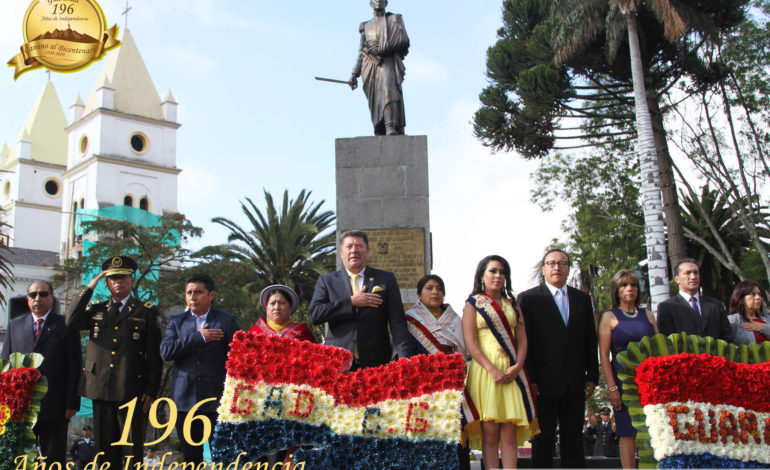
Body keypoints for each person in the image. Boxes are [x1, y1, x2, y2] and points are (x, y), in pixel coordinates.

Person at [67, 256, 163, 470]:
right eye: (112, 278)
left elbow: (154, 355)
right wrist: (89, 287)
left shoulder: (146, 311)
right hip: (100, 388)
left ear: (131, 279)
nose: (118, 282)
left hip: (132, 390)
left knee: (131, 452)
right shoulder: (96, 309)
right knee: (105, 452)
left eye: (123, 277)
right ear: (106, 282)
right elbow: (71, 320)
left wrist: (151, 390)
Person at [518, 248, 599, 468]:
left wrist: (592, 374)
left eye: (562, 263)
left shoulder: (582, 299)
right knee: (542, 440)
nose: (557, 267)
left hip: (575, 381)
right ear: (543, 269)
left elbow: (590, 339)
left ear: (568, 268)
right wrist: (531, 378)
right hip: (542, 384)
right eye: (551, 263)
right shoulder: (528, 299)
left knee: (573, 439)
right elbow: (526, 343)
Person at [463, 255, 536, 470]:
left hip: (512, 370)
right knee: (490, 433)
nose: (498, 276)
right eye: (493, 271)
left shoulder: (513, 303)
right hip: (485, 371)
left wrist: (518, 365)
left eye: (502, 272)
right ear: (482, 275)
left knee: (510, 433)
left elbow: (522, 339)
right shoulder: (473, 303)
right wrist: (491, 368)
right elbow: (470, 341)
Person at [160, 274, 241, 464]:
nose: (193, 297)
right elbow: (166, 351)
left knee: (222, 458)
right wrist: (199, 337)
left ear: (211, 295)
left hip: (217, 401)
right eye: (189, 292)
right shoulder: (176, 321)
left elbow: (238, 356)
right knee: (191, 459)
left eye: (198, 292)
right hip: (185, 401)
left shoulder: (226, 320)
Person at [1, 280, 81, 465]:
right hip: (21, 406)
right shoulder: (15, 325)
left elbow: (75, 367)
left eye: (43, 294)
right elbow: (6, 366)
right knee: (21, 457)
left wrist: (72, 403)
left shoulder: (67, 325)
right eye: (33, 295)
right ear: (28, 299)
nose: (38, 298)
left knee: (53, 457)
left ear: (51, 298)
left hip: (56, 405)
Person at [309, 230, 415, 370]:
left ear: (367, 251)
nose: (354, 250)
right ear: (341, 253)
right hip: (337, 362)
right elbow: (315, 315)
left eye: (359, 246)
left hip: (376, 362)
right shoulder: (327, 281)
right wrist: (351, 302)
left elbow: (398, 323)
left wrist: (405, 358)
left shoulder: (386, 279)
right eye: (349, 246)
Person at [404, 274, 470, 470]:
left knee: (454, 432)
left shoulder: (455, 319)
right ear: (419, 294)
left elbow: (463, 351)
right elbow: (402, 352)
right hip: (421, 386)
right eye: (429, 288)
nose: (435, 292)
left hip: (451, 385)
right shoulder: (410, 320)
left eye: (439, 289)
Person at [598, 270, 656, 468]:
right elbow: (604, 356)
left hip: (651, 382)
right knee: (628, 432)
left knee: (653, 429)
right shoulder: (609, 317)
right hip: (624, 384)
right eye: (624, 285)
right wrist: (612, 388)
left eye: (633, 285)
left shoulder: (648, 315)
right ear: (616, 290)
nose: (629, 289)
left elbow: (659, 348)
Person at [349, 0, 409, 135]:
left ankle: (390, 126)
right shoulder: (365, 26)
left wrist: (383, 48)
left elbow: (403, 40)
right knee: (376, 99)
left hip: (387, 61)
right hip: (370, 66)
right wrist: (354, 73)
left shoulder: (394, 19)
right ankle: (379, 125)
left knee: (389, 90)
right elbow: (361, 51)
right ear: (370, 3)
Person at [657, 258, 733, 341]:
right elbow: (666, 341)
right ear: (677, 279)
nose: (693, 277)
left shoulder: (715, 305)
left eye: (696, 273)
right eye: (688, 273)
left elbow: (727, 337)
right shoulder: (667, 307)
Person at [249, 285, 316, 342]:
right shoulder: (255, 332)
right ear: (266, 308)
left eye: (282, 303)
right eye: (272, 303)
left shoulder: (302, 331)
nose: (276, 307)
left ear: (290, 307)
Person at [727, 280, 770, 345]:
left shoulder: (767, 318)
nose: (758, 297)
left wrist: (763, 327)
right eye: (753, 294)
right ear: (741, 299)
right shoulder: (733, 320)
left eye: (759, 294)